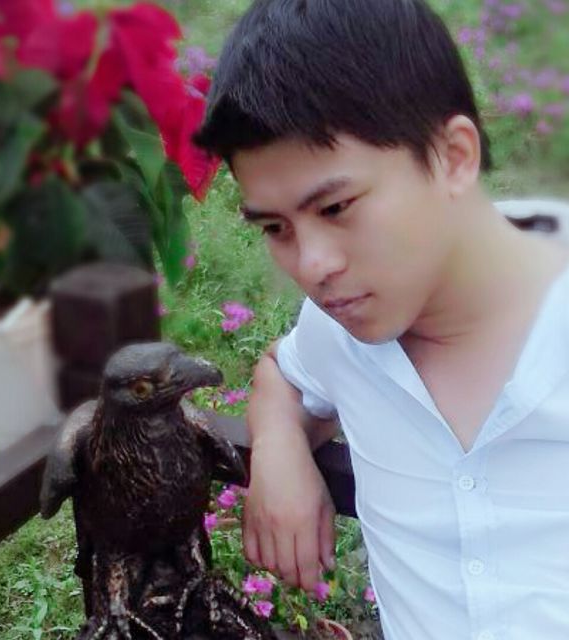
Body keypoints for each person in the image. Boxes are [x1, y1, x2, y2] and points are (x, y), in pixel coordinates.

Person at [194, 1, 569, 638]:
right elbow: (285, 374)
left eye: (336, 207)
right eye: (276, 228)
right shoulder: (342, 326)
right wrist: (278, 448)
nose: (313, 266)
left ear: (453, 156)